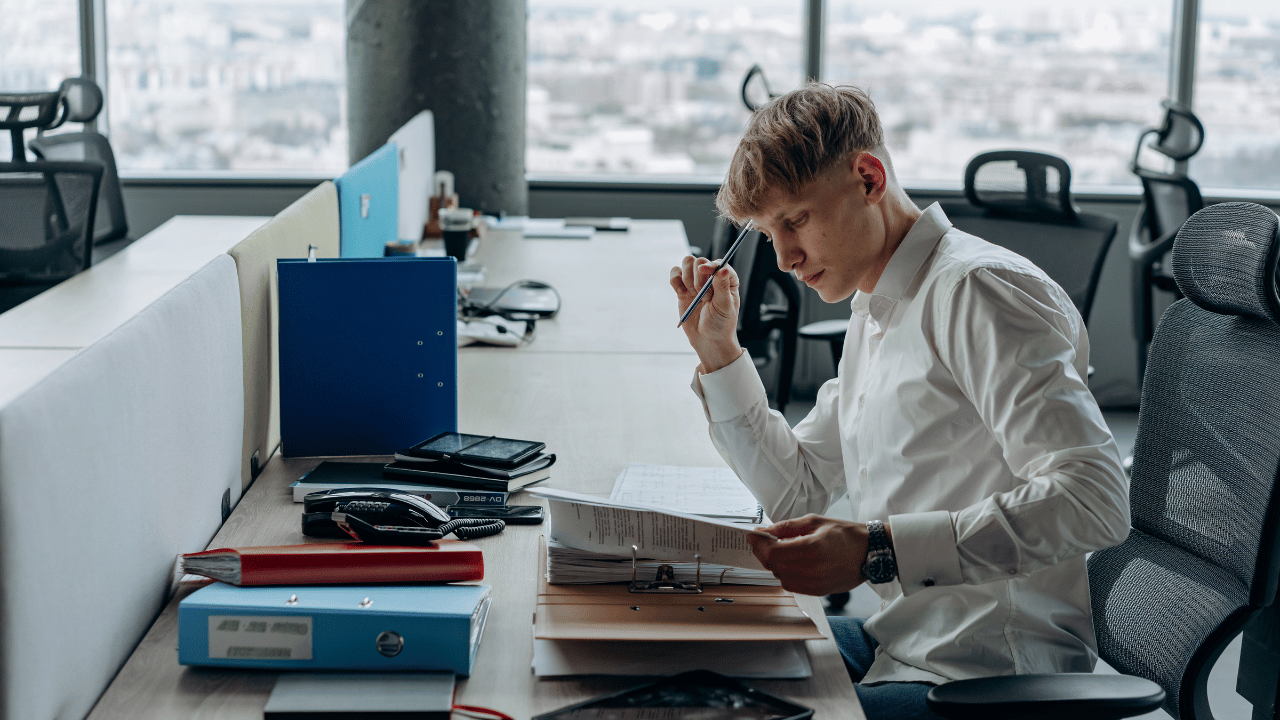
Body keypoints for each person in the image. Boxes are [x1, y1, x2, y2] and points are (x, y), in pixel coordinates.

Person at [669, 83, 1130, 720]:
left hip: (986, 671)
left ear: (868, 178)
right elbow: (797, 492)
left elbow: (1095, 498)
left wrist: (878, 550)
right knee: (679, 671)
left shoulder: (977, 291)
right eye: (769, 233)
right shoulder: (877, 306)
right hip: (904, 641)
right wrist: (721, 354)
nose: (787, 258)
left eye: (796, 220)